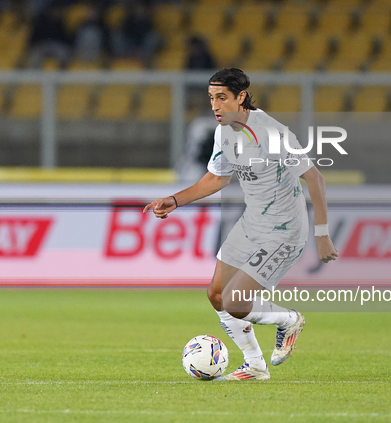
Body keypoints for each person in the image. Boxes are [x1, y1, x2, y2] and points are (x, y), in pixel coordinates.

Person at [143, 68, 338, 381]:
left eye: (222, 98)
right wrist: (175, 200)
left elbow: (315, 177)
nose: (215, 106)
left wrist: (322, 234)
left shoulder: (272, 133)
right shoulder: (224, 131)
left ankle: (288, 320)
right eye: (211, 99)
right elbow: (217, 177)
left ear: (241, 97)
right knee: (216, 294)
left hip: (283, 230)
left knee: (235, 302)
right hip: (252, 222)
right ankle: (255, 366)